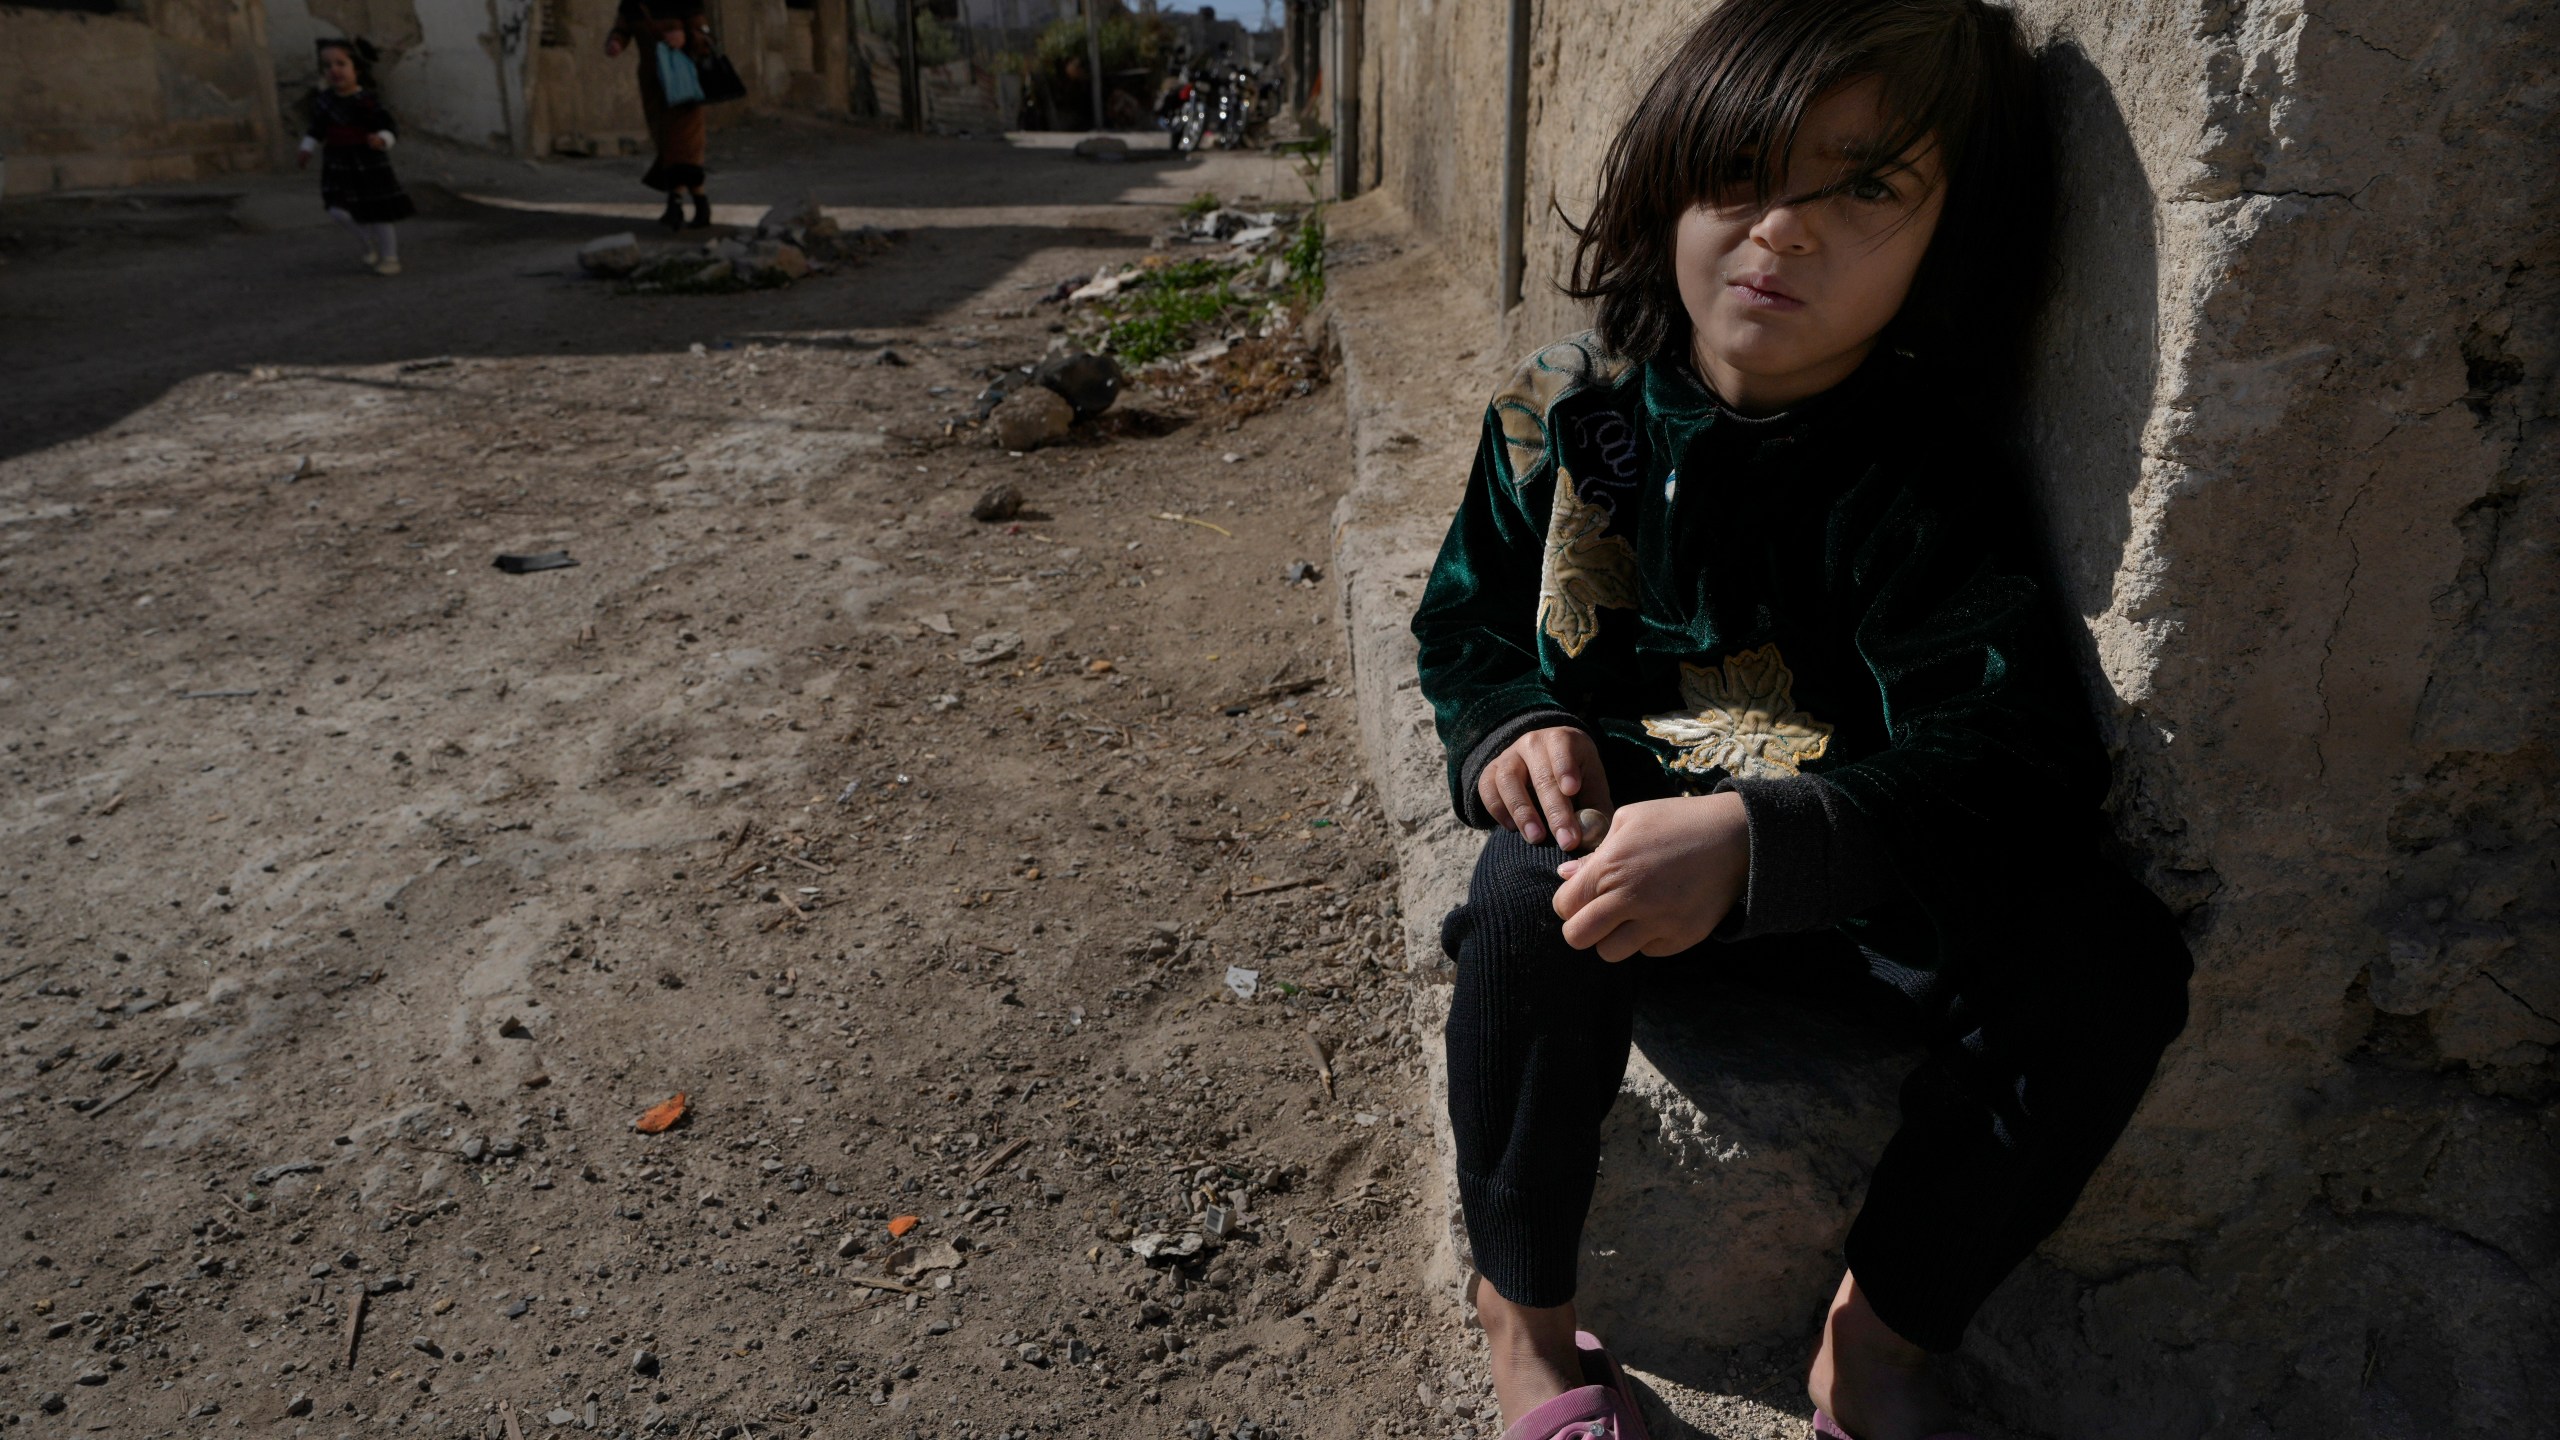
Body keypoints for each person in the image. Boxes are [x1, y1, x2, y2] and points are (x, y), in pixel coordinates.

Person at [1409, 3, 2194, 1438]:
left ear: (1950, 238)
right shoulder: (1582, 415)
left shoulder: (1915, 475)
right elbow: (1464, 621)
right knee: (1523, 893)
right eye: (1745, 170)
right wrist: (1511, 723)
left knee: (2111, 960)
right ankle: (1524, 1328)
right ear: (1670, 176)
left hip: (1861, 899)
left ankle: (1878, 1344)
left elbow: (2015, 752)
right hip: (1618, 884)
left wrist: (1771, 840)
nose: (1783, 230)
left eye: (1866, 188)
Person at [298, 39, 413, 276]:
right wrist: (306, 147)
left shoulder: (368, 101)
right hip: (337, 164)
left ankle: (390, 257)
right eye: (327, 65)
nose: (334, 70)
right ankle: (366, 240)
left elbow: (388, 126)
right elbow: (316, 129)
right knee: (336, 209)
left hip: (368, 162)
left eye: (341, 63)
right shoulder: (324, 101)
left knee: (379, 212)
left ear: (356, 68)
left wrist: (382, 138)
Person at [606, 0, 715, 231]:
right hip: (654, 84)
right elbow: (622, 30)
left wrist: (685, 36)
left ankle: (680, 205)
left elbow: (705, 36)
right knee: (667, 142)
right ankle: (696, 203)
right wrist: (616, 42)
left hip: (683, 78)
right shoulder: (631, 5)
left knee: (685, 144)